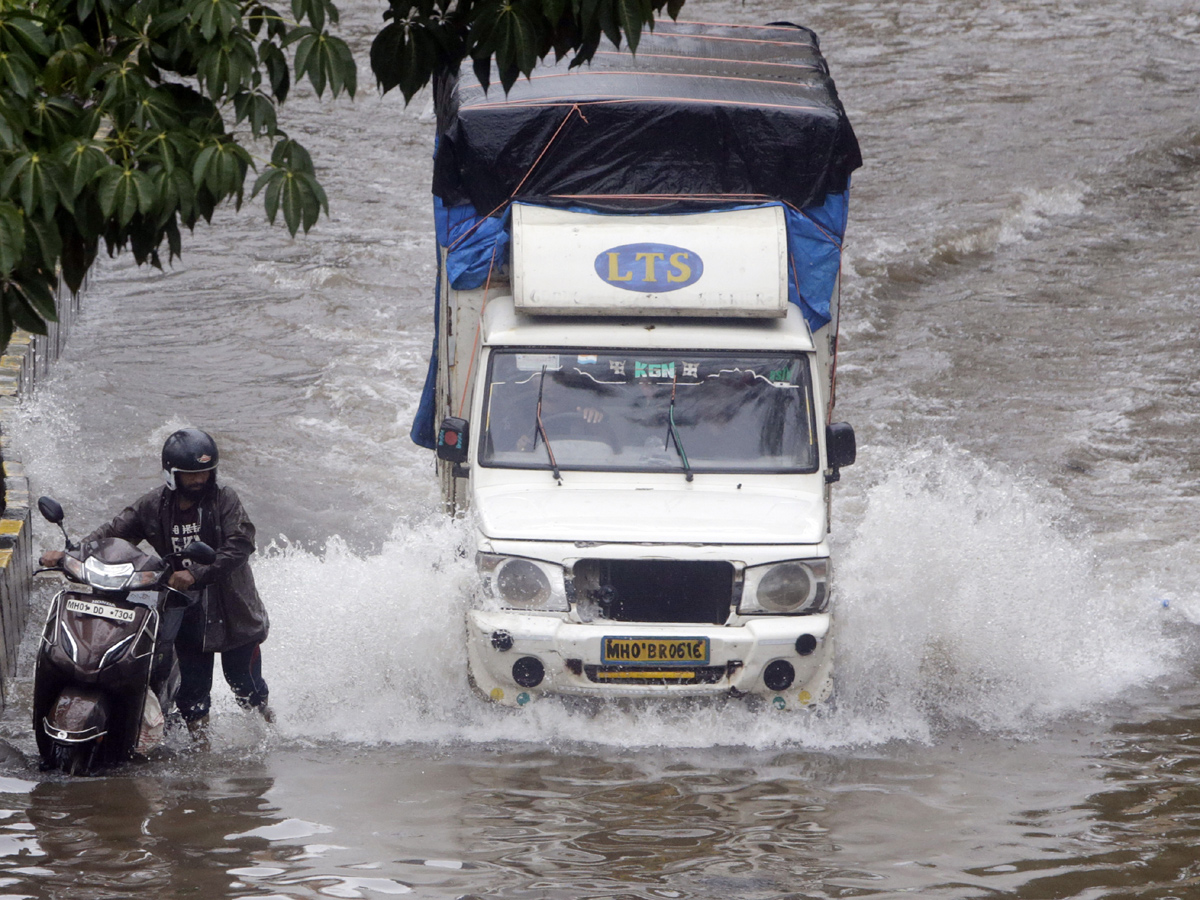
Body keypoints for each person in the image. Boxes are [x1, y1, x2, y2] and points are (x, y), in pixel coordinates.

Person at [39, 428, 271, 742]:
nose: (199, 480)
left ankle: (269, 734)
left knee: (246, 687)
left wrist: (196, 574)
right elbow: (112, 533)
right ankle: (201, 749)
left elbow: (241, 543)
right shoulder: (153, 506)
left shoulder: (224, 499)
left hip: (234, 610)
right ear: (171, 474)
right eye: (191, 475)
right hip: (185, 610)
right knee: (192, 693)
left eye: (205, 472)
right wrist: (69, 556)